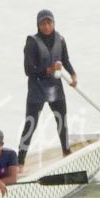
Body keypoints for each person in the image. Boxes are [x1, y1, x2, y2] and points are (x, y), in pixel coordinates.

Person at [19, 9, 78, 165]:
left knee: (62, 121)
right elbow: (28, 70)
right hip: (37, 88)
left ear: (53, 23)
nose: (46, 26)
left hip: (55, 88)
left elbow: (65, 60)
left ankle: (66, 151)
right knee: (30, 123)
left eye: (49, 23)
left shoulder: (60, 39)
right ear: (38, 26)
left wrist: (73, 74)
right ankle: (20, 161)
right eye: (43, 24)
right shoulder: (32, 42)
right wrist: (49, 70)